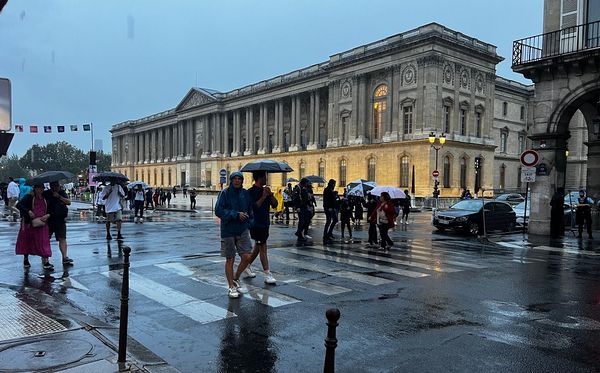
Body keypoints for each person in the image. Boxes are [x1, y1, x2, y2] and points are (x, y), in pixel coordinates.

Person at [215, 171, 254, 298]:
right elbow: (218, 210)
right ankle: (231, 286)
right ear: (231, 180)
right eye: (235, 179)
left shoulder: (245, 193)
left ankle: (236, 277)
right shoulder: (225, 193)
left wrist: (249, 221)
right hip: (228, 230)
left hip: (242, 229)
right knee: (230, 258)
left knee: (247, 256)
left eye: (239, 179)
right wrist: (235, 214)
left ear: (242, 181)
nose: (237, 181)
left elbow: (250, 210)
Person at [245, 171, 278, 284]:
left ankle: (247, 265)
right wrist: (263, 197)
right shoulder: (250, 192)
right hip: (256, 223)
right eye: (265, 176)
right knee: (263, 247)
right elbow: (254, 207)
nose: (266, 179)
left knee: (258, 247)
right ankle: (267, 274)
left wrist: (271, 195)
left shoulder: (266, 190)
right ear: (259, 178)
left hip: (265, 223)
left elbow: (275, 205)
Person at [15, 184, 53, 269]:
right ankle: (26, 259)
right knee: (27, 241)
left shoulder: (45, 197)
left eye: (42, 188)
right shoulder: (29, 197)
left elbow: (50, 208)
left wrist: (48, 215)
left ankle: (46, 261)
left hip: (43, 223)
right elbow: (18, 205)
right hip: (30, 223)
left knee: (44, 242)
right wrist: (28, 211)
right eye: (39, 188)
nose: (41, 190)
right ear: (35, 188)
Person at [44, 181, 73, 266]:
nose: (56, 187)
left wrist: (59, 197)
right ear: (50, 186)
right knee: (46, 239)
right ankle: (45, 259)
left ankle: (64, 257)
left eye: (57, 186)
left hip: (60, 219)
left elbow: (68, 202)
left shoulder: (61, 193)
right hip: (49, 219)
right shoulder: (46, 194)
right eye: (54, 186)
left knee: (62, 238)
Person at [295, 178, 311, 243]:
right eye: (307, 183)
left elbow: (305, 198)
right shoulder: (298, 189)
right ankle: (299, 235)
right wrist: (297, 207)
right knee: (302, 221)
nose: (307, 184)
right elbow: (295, 199)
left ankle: (299, 232)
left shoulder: (304, 189)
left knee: (307, 220)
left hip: (304, 207)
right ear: (304, 183)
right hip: (300, 207)